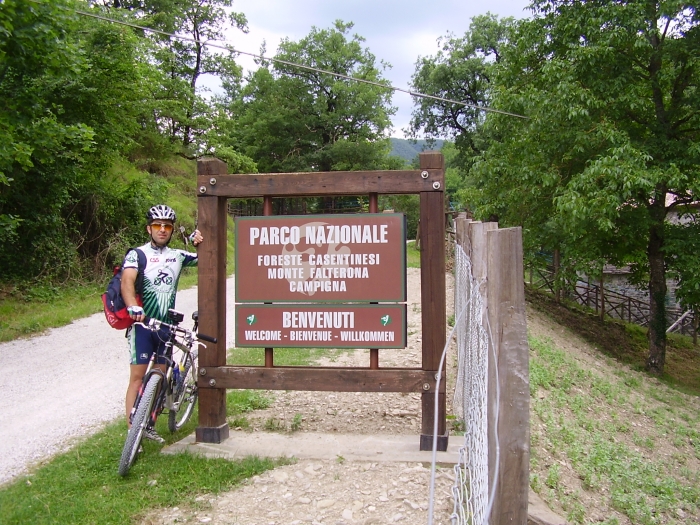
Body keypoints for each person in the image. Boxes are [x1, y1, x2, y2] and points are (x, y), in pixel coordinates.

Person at [121, 204, 203, 441]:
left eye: (167, 226)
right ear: (149, 228)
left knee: (160, 377)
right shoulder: (137, 254)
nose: (163, 230)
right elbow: (127, 282)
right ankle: (132, 433)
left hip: (166, 328)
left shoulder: (178, 255)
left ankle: (149, 426)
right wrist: (132, 306)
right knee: (137, 378)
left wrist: (198, 240)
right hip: (143, 325)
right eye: (158, 225)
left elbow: (205, 257)